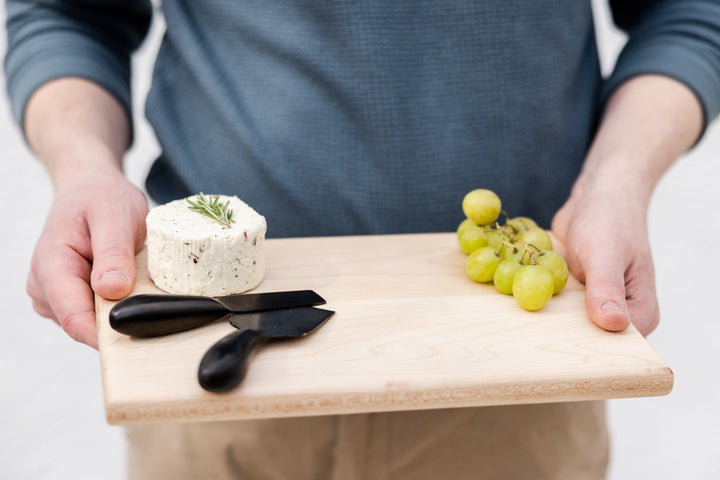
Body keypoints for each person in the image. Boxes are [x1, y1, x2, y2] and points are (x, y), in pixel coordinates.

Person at [5, 0, 720, 478]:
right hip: (215, 399)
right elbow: (68, 12)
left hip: (516, 383)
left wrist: (616, 181)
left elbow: (689, 11)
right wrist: (82, 169)